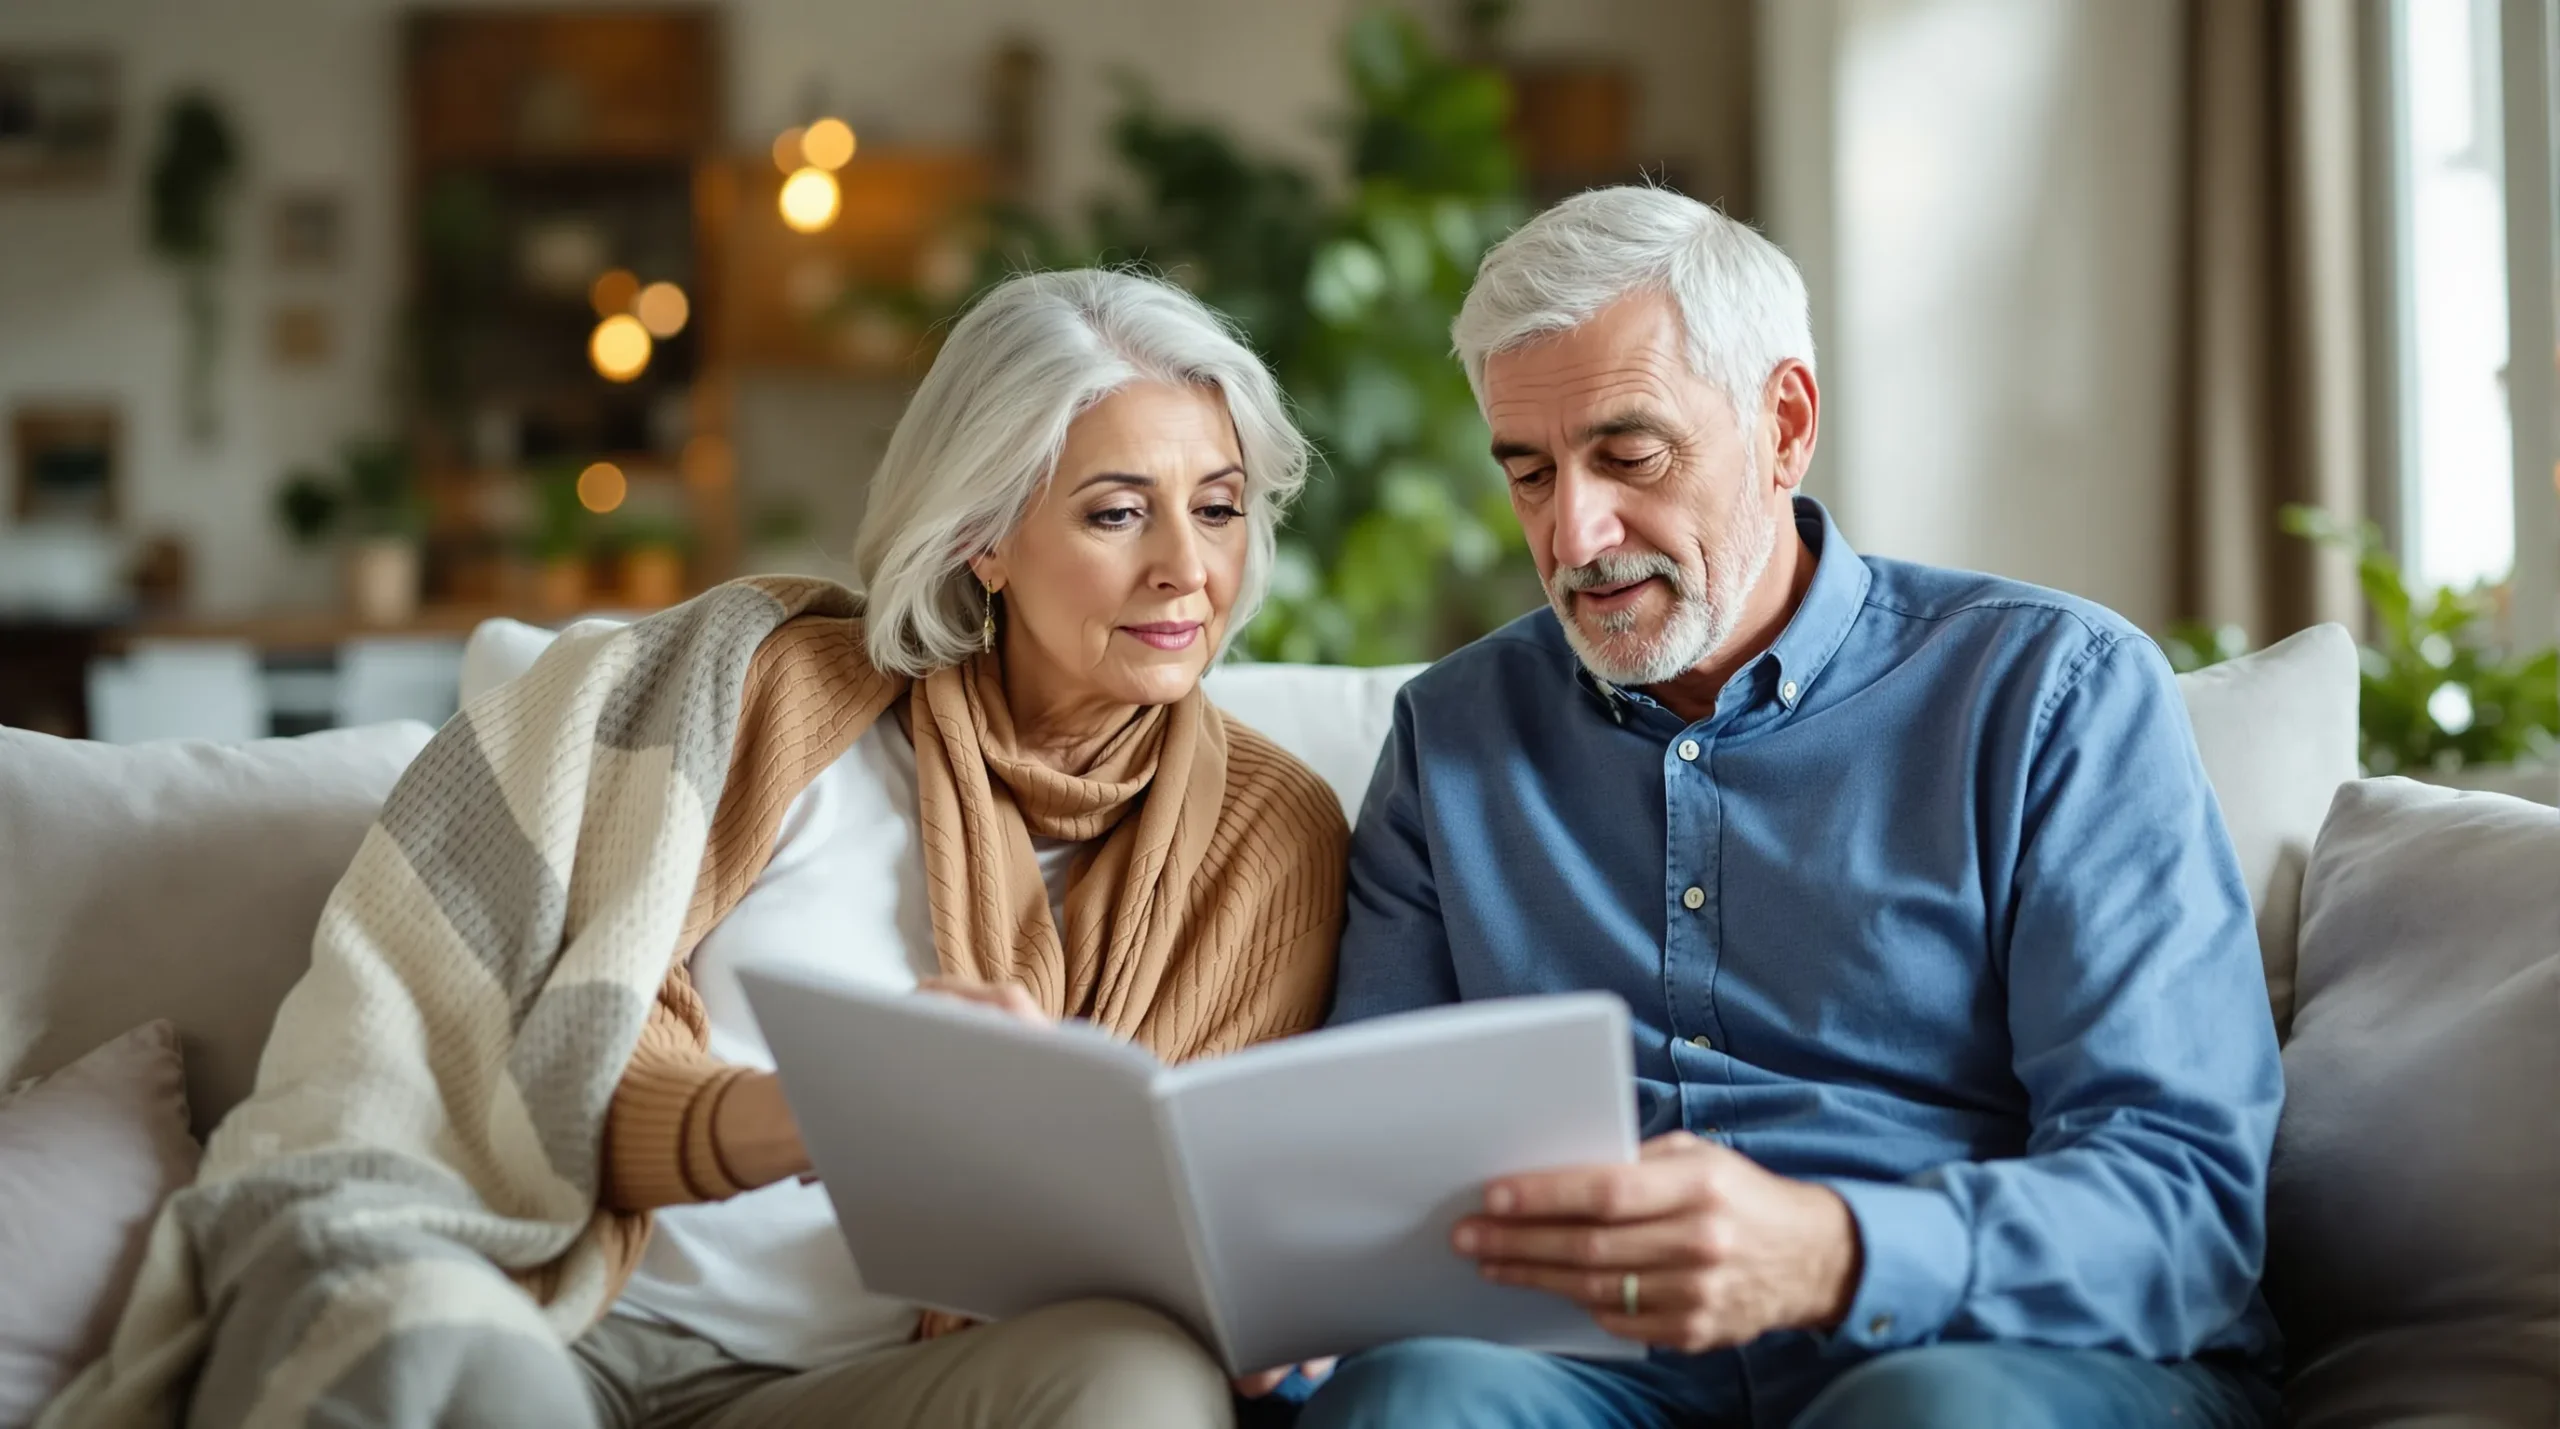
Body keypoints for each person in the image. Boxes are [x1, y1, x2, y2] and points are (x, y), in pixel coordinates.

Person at [1295, 187, 2285, 1429]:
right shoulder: (1452, 737)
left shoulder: (2049, 693)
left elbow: (2183, 1206)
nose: (1574, 531)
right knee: (1412, 1399)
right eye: (1529, 473)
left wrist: (1833, 1249)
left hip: (2000, 1357)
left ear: (1783, 422)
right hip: (1604, 1377)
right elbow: (1372, 1164)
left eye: (1628, 454)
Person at [571, 268, 1350, 1429]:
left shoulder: (1271, 835)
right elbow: (570, 1040)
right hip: (586, 1325)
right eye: (1118, 510)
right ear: (985, 536)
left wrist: (1265, 1293)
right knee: (422, 1339)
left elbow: (1203, 1201)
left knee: (1143, 1379)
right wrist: (825, 1109)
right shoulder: (782, 697)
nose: (1187, 565)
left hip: (874, 1394)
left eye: (1220, 506)